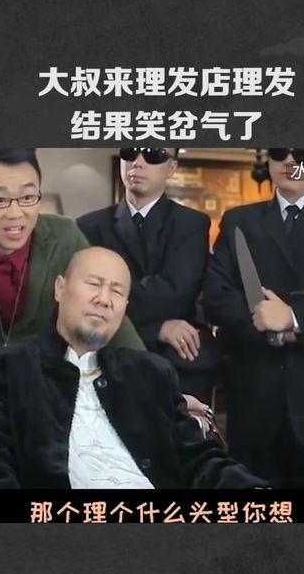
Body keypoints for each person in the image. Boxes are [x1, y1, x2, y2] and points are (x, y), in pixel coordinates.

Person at [0, 148, 143, 489]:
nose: (16, 214)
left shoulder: (64, 236)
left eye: (27, 197)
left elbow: (107, 315)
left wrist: (158, 390)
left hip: (41, 400)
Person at [0, 247, 267, 490]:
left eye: (117, 292)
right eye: (94, 284)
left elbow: (199, 459)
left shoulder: (151, 374)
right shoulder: (7, 369)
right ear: (60, 288)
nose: (104, 299)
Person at [203, 148, 304, 489]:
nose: (289, 161)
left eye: (302, 153)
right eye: (279, 151)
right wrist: (265, 323)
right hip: (254, 402)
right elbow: (216, 298)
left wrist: (294, 319)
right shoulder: (240, 221)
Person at [77, 147, 220, 403]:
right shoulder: (88, 226)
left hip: (177, 358)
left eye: (153, 155)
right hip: (109, 356)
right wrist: (157, 329)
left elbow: (176, 293)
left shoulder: (192, 223)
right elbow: (88, 299)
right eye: (130, 152)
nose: (138, 163)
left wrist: (116, 293)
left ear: (172, 168)